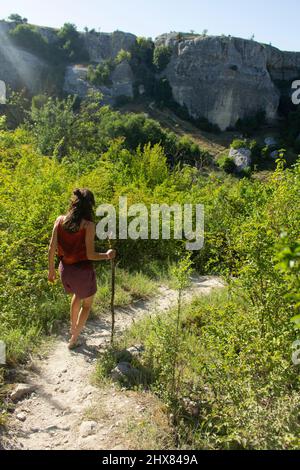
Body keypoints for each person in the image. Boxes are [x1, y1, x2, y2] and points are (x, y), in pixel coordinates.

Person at [48, 188, 116, 349]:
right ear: (90, 206)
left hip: (65, 270)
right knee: (86, 305)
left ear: (74, 203)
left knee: (77, 296)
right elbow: (90, 255)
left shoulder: (59, 220)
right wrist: (107, 255)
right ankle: (74, 339)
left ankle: (73, 328)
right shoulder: (88, 225)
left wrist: (51, 271)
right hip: (83, 272)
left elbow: (52, 247)